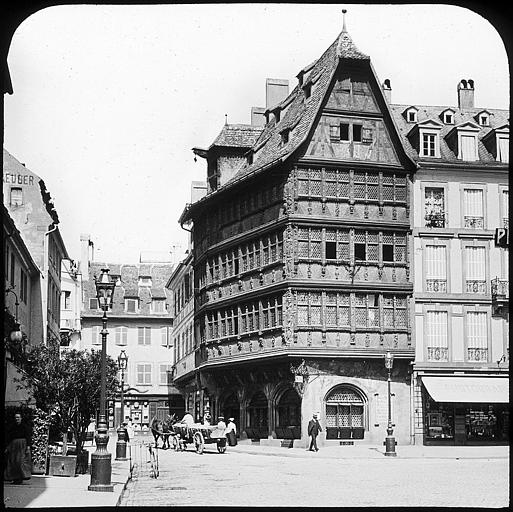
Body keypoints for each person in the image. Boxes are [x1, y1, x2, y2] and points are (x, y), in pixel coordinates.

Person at [4, 412, 32, 484]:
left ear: (21, 418)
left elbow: (28, 436)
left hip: (22, 445)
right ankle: (15, 478)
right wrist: (8, 446)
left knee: (20, 462)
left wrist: (28, 446)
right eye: (15, 417)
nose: (17, 419)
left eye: (18, 417)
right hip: (14, 446)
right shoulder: (12, 427)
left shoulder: (25, 427)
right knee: (14, 462)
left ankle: (21, 477)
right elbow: (9, 437)